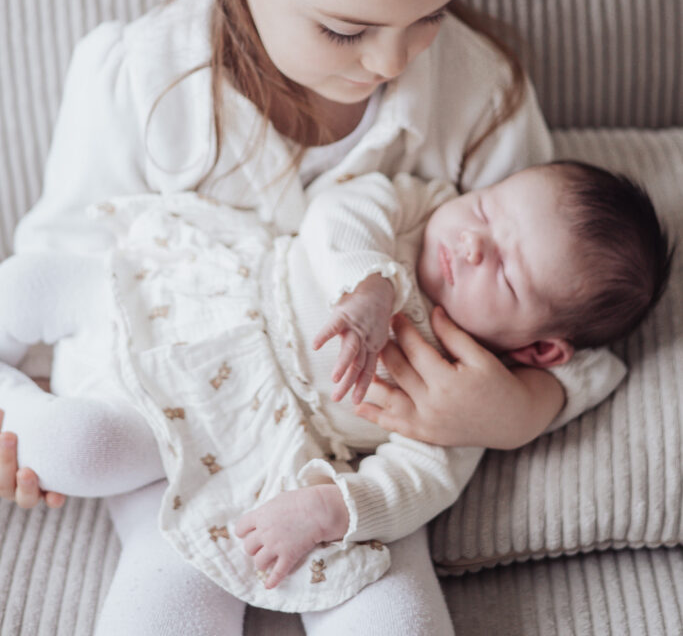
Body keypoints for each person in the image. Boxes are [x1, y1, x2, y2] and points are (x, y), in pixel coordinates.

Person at [0, 0, 629, 635]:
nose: (388, 62)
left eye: (428, 16)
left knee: (401, 617)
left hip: (352, 453)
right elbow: (45, 281)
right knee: (168, 588)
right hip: (170, 407)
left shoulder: (474, 90)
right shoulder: (141, 79)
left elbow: (565, 293)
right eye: (346, 29)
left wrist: (514, 409)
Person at [0, 161, 672, 613]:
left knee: (75, 447)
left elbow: (418, 484)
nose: (470, 241)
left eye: (503, 269)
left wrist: (329, 508)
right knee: (26, 281)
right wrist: (371, 286)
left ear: (538, 348)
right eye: (486, 209)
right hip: (192, 297)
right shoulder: (412, 217)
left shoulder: (462, 396)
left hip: (225, 428)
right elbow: (345, 210)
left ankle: (22, 406)